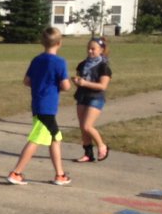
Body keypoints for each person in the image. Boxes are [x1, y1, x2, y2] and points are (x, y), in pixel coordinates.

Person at [7, 27, 72, 186]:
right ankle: (16, 173)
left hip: (38, 103)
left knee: (55, 138)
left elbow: (27, 81)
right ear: (59, 43)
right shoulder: (59, 62)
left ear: (42, 42)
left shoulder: (36, 60)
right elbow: (66, 86)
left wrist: (40, 84)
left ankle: (60, 174)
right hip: (47, 106)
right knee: (35, 139)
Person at [73, 36, 112, 162]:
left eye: (93, 49)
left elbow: (103, 86)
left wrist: (85, 83)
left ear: (101, 50)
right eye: (88, 48)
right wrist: (77, 82)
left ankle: (102, 146)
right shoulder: (82, 64)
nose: (90, 51)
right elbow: (80, 79)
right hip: (82, 96)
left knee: (87, 126)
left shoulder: (103, 67)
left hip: (95, 97)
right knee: (82, 127)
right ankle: (88, 153)